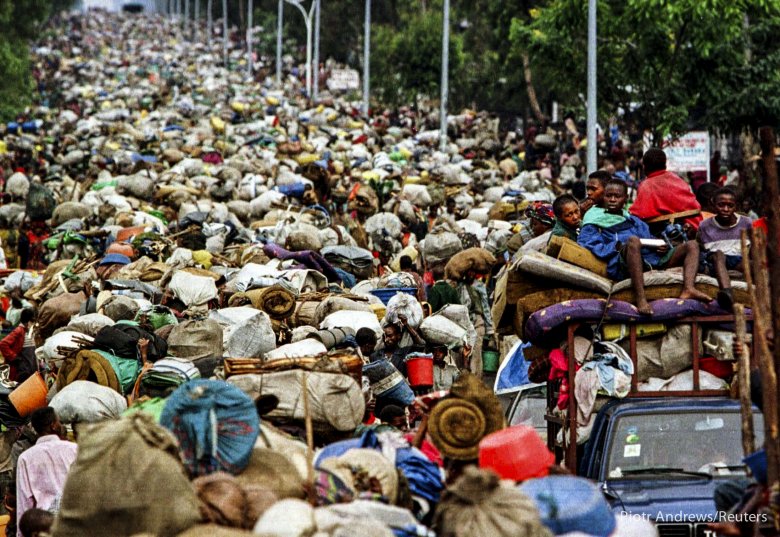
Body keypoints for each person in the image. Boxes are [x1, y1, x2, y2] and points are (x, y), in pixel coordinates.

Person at [578, 179, 712, 315]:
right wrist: (615, 246)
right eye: (609, 196)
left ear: (625, 199)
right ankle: (641, 299)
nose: (612, 200)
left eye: (617, 196)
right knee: (633, 241)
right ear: (604, 197)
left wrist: (659, 246)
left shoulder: (632, 219)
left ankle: (688, 288)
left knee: (692, 245)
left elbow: (648, 237)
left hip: (650, 258)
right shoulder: (593, 220)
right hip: (624, 262)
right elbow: (587, 243)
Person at [16, 407, 78, 536]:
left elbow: (24, 503)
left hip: (42, 526)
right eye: (59, 422)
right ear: (53, 426)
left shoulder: (26, 458)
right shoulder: (74, 449)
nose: (61, 425)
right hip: (73, 520)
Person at [698, 188, 752, 308]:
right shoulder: (704, 225)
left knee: (752, 264)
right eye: (721, 205)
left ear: (736, 207)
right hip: (714, 260)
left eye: (730, 206)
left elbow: (753, 247)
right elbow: (701, 247)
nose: (726, 209)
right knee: (718, 254)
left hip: (738, 259)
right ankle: (727, 292)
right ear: (713, 205)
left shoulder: (747, 223)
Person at [629, 147, 703, 232]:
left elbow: (639, 214)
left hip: (667, 231)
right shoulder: (678, 179)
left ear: (644, 167)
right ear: (665, 165)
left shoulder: (646, 185)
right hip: (694, 227)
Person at [0, 309, 35, 383]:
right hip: (21, 370)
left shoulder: (29, 332)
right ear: (29, 322)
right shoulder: (19, 331)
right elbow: (3, 344)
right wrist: (15, 357)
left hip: (28, 369)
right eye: (33, 321)